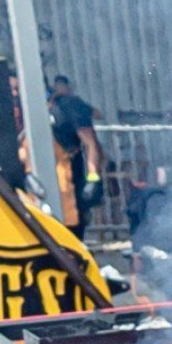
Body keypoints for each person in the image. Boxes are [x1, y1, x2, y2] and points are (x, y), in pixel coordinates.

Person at [48, 76, 101, 236]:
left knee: (73, 214)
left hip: (69, 165)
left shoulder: (74, 105)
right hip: (51, 166)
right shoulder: (47, 105)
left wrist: (92, 177)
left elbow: (90, 142)